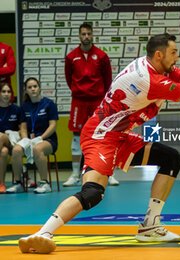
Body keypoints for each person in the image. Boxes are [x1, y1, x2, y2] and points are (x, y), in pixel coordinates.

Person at [18, 33, 180, 254]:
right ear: (159, 55)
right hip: (100, 136)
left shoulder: (160, 68)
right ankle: (42, 233)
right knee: (93, 194)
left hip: (120, 137)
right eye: (173, 53)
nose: (177, 57)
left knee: (170, 159)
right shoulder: (150, 80)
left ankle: (150, 226)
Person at [63, 22, 119, 187]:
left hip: (97, 101)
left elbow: (108, 80)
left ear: (92, 35)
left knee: (105, 135)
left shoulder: (102, 56)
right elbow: (68, 78)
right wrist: (79, 91)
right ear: (79, 36)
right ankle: (74, 174)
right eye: (83, 34)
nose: (86, 37)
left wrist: (101, 97)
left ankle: (109, 173)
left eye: (88, 34)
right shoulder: (71, 57)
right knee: (76, 136)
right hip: (79, 102)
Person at [6, 77, 59, 194]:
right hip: (30, 139)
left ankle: (45, 183)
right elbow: (23, 127)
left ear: (39, 88)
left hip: (48, 140)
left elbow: (53, 126)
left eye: (35, 86)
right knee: (16, 150)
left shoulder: (49, 104)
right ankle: (18, 183)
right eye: (30, 87)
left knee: (37, 149)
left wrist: (41, 138)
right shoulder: (25, 107)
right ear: (26, 90)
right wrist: (25, 139)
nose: (33, 89)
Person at [0, 83, 22, 193]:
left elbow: (22, 129)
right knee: (3, 152)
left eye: (8, 92)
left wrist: (12, 134)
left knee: (1, 136)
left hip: (12, 142)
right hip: (2, 146)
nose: (6, 94)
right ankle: (1, 184)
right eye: (3, 91)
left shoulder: (16, 109)